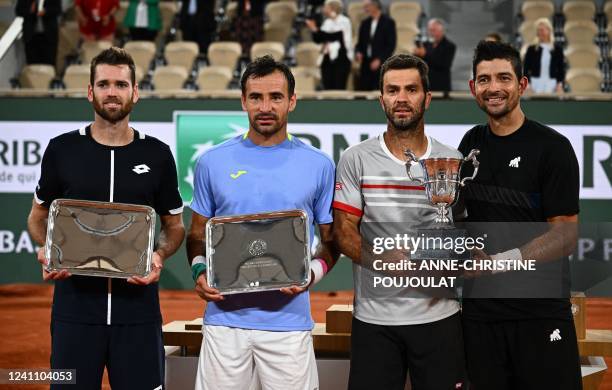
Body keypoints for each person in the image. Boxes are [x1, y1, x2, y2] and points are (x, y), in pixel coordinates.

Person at [27, 47, 185, 389]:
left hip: (138, 314)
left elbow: (174, 226)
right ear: (90, 92)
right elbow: (38, 217)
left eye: (120, 84)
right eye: (103, 84)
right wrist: (48, 248)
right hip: (74, 313)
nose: (112, 92)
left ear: (135, 93)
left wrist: (158, 256)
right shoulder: (61, 149)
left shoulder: (157, 155)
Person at [187, 55, 338, 390]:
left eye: (276, 97)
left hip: (289, 325)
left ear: (292, 101)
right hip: (224, 325)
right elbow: (197, 234)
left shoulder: (319, 165)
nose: (265, 106)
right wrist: (199, 271)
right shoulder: (212, 162)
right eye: (256, 97)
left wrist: (310, 274)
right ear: (243, 101)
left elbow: (331, 240)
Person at [333, 54, 466, 390]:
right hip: (374, 322)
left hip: (440, 318)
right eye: (393, 90)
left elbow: (464, 234)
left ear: (428, 98)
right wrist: (382, 261)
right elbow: (343, 232)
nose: (402, 98)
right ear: (381, 99)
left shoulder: (452, 161)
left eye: (411, 89)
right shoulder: (355, 158)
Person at [458, 40, 581, 389]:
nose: (493, 88)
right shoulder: (470, 145)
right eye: (484, 80)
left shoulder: (553, 148)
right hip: (481, 318)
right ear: (473, 88)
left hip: (539, 314)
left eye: (503, 78)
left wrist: (500, 261)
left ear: (522, 84)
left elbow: (566, 235)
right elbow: (461, 219)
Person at [305, 0, 353, 90]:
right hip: (327, 59)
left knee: (338, 88)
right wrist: (314, 30)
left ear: (333, 8)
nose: (324, 9)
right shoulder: (327, 22)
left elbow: (336, 36)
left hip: (341, 59)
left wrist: (317, 30)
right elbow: (318, 39)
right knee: (327, 88)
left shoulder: (344, 21)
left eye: (326, 7)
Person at [355, 0, 396, 91]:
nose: (365, 9)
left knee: (380, 91)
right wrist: (358, 52)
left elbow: (390, 45)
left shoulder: (388, 22)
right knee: (364, 91)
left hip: (381, 63)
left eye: (366, 6)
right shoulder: (364, 23)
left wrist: (379, 60)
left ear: (375, 6)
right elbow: (359, 44)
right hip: (365, 63)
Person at [523, 18, 565, 94]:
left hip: (552, 84)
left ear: (549, 31)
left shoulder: (557, 49)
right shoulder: (531, 49)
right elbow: (525, 69)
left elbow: (561, 69)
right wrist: (527, 85)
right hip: (535, 84)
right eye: (538, 30)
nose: (540, 33)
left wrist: (559, 84)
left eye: (542, 30)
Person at [414, 18, 456, 92]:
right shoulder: (425, 45)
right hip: (426, 86)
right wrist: (416, 53)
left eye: (433, 30)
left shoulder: (449, 46)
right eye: (429, 30)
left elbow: (443, 64)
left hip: (441, 86)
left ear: (441, 31)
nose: (431, 33)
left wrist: (425, 54)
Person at [15, 0, 61, 66]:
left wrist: (46, 12)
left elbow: (58, 9)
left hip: (48, 36)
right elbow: (18, 11)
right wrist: (29, 10)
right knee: (32, 64)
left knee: (49, 63)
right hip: (31, 37)